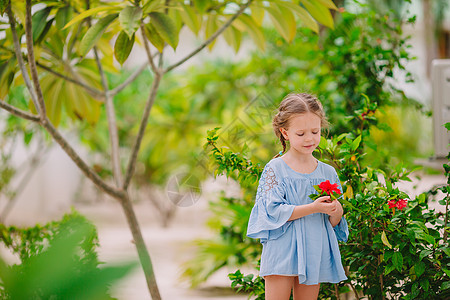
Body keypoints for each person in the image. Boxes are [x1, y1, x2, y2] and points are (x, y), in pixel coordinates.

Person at [246, 92, 349, 300]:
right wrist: (314, 208)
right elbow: (272, 211)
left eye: (315, 131)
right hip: (281, 248)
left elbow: (333, 223)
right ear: (285, 133)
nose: (310, 138)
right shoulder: (275, 169)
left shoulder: (328, 173)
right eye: (301, 134)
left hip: (313, 249)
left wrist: (336, 210)